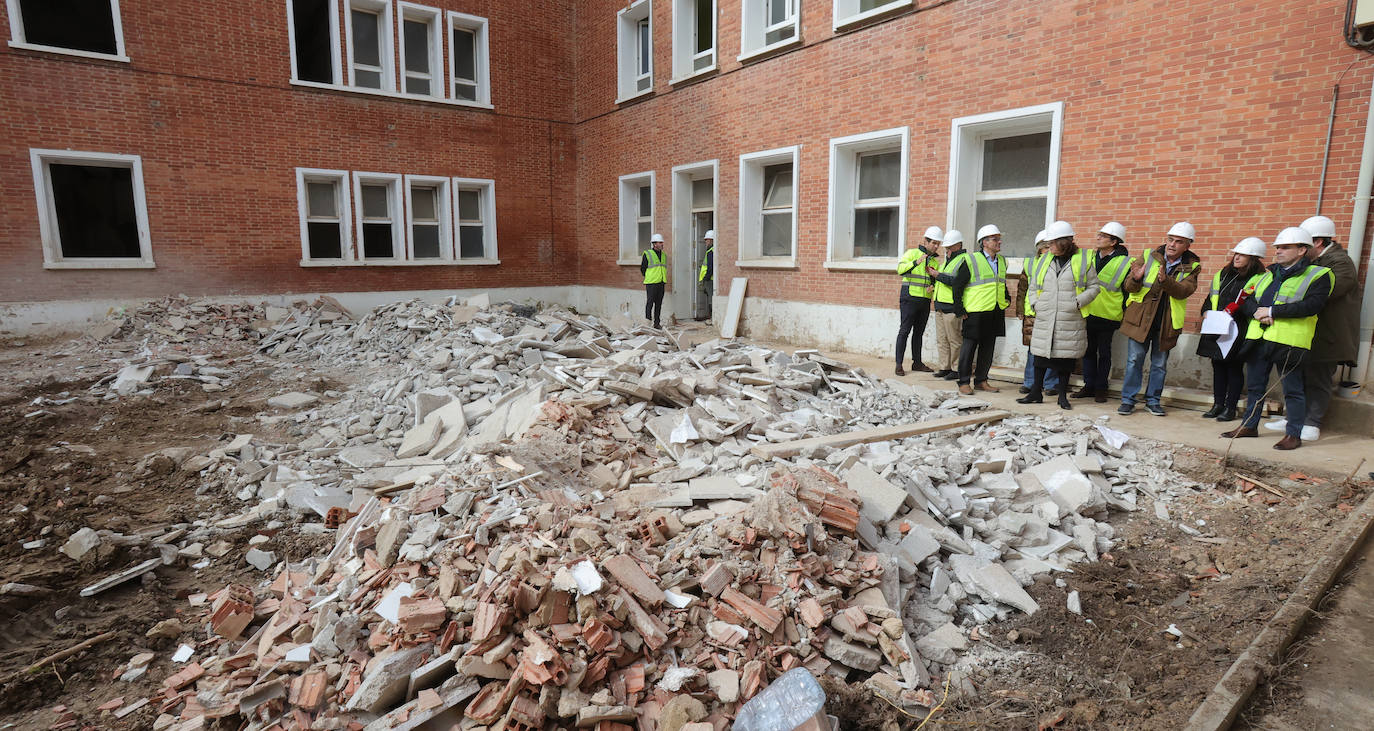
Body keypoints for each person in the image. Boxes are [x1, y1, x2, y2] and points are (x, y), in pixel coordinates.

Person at [1221, 227, 1334, 450]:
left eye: (1285, 247)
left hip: (1289, 340)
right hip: (1259, 337)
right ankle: (1249, 425)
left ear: (1302, 250)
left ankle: (1293, 434)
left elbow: (1312, 306)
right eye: (1277, 247)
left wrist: (1272, 312)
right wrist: (1257, 312)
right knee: (1255, 386)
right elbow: (1246, 298)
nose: (1279, 251)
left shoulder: (1319, 275)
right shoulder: (1267, 273)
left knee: (1292, 389)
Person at [1262, 215, 1358, 441]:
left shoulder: (1340, 263)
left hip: (1329, 334)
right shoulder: (1316, 262)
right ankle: (1294, 419)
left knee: (1318, 378)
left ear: (1317, 243)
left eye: (1303, 244)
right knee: (1298, 377)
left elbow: (1322, 294)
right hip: (1307, 332)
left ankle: (1312, 423)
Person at [1117, 222, 1203, 416]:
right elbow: (1129, 287)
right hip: (1140, 319)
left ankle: (1153, 400)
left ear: (1187, 245)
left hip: (1166, 323)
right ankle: (1127, 400)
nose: (1172, 244)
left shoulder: (1192, 267)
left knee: (1159, 364)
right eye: (1170, 239)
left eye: (1178, 242)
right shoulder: (1148, 256)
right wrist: (1136, 278)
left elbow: (1184, 291)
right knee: (1134, 360)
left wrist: (1166, 281)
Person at [1017, 221, 1100, 409]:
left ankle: (1062, 397)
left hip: (1069, 317)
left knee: (1065, 361)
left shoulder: (1083, 261)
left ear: (1064, 242)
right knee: (1039, 357)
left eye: (1053, 243)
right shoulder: (1045, 261)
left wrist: (1078, 302)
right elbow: (1033, 286)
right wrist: (1036, 304)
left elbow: (1094, 287)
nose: (1049, 246)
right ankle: (1035, 393)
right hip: (1046, 316)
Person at [1196, 237, 1267, 422]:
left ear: (1253, 258)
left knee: (1234, 368)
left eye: (1242, 254)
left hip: (1240, 329)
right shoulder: (1223, 274)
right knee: (1218, 366)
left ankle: (1230, 407)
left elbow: (1257, 305)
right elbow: (1210, 297)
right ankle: (1218, 404)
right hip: (1217, 326)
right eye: (1236, 253)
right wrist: (1205, 312)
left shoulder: (1260, 279)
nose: (1236, 257)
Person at [934, 224, 1009, 395]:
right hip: (975, 311)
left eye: (999, 238)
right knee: (969, 348)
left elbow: (1000, 283)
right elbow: (957, 287)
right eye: (995, 239)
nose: (999, 242)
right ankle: (964, 381)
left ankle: (982, 381)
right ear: (984, 242)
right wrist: (959, 309)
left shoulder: (1002, 261)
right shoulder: (972, 260)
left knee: (988, 348)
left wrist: (1007, 298)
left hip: (995, 310)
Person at [1072, 222, 1132, 403]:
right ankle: (1089, 385)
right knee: (1088, 351)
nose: (1097, 238)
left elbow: (1128, 291)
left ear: (1114, 242)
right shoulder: (1089, 256)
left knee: (1104, 352)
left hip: (1108, 314)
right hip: (1087, 311)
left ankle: (1101, 387)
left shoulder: (1125, 262)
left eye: (1102, 236)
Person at [1015, 231, 1059, 394]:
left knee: (1052, 349)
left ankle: (1050, 384)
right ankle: (1030, 382)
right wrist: (1020, 309)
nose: (1050, 249)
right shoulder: (1030, 264)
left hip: (1052, 312)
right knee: (1033, 350)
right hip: (1032, 313)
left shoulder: (1058, 264)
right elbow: (1022, 288)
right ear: (1039, 249)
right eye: (1047, 247)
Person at [894, 226, 942, 375]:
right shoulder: (912, 253)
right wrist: (916, 262)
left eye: (938, 244)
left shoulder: (934, 262)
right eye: (933, 243)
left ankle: (917, 363)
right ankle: (899, 364)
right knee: (904, 331)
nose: (936, 246)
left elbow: (934, 280)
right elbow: (900, 270)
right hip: (909, 298)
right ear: (925, 241)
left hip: (925, 300)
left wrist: (932, 286)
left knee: (919, 333)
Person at [930, 230, 967, 380]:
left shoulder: (964, 260)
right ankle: (944, 367)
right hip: (940, 305)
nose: (947, 250)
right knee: (942, 339)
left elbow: (956, 282)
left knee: (955, 340)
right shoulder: (947, 261)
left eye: (950, 247)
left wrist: (937, 275)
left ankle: (956, 369)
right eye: (947, 248)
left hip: (952, 306)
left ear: (958, 245)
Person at [640, 233, 666, 328]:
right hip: (651, 283)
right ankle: (647, 323)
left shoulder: (664, 255)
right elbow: (643, 268)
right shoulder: (647, 254)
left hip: (661, 282)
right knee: (650, 303)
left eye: (662, 242)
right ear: (654, 244)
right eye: (660, 242)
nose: (662, 244)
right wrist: (649, 277)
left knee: (658, 304)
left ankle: (657, 323)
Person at [697, 230, 715, 321]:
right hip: (710, 279)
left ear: (711, 240)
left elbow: (710, 267)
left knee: (711, 299)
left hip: (710, 280)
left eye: (707, 240)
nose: (705, 242)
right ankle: (711, 317)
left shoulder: (710, 251)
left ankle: (712, 318)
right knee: (710, 298)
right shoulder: (711, 250)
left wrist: (706, 278)